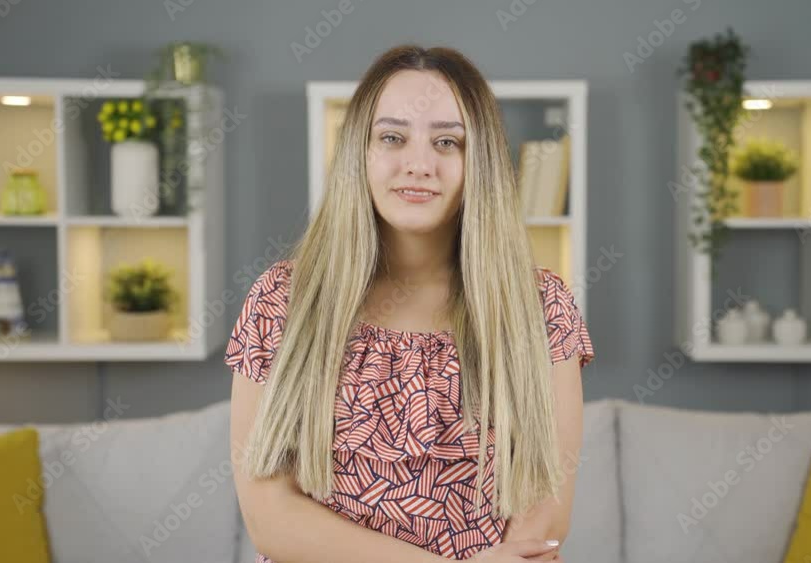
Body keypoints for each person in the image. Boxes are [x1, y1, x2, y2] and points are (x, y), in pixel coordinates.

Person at [226, 44, 595, 563]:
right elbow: (270, 518)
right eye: (392, 137)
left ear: (481, 162)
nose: (419, 165)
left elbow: (545, 516)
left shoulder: (542, 308)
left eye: (447, 142)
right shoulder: (281, 301)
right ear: (359, 152)